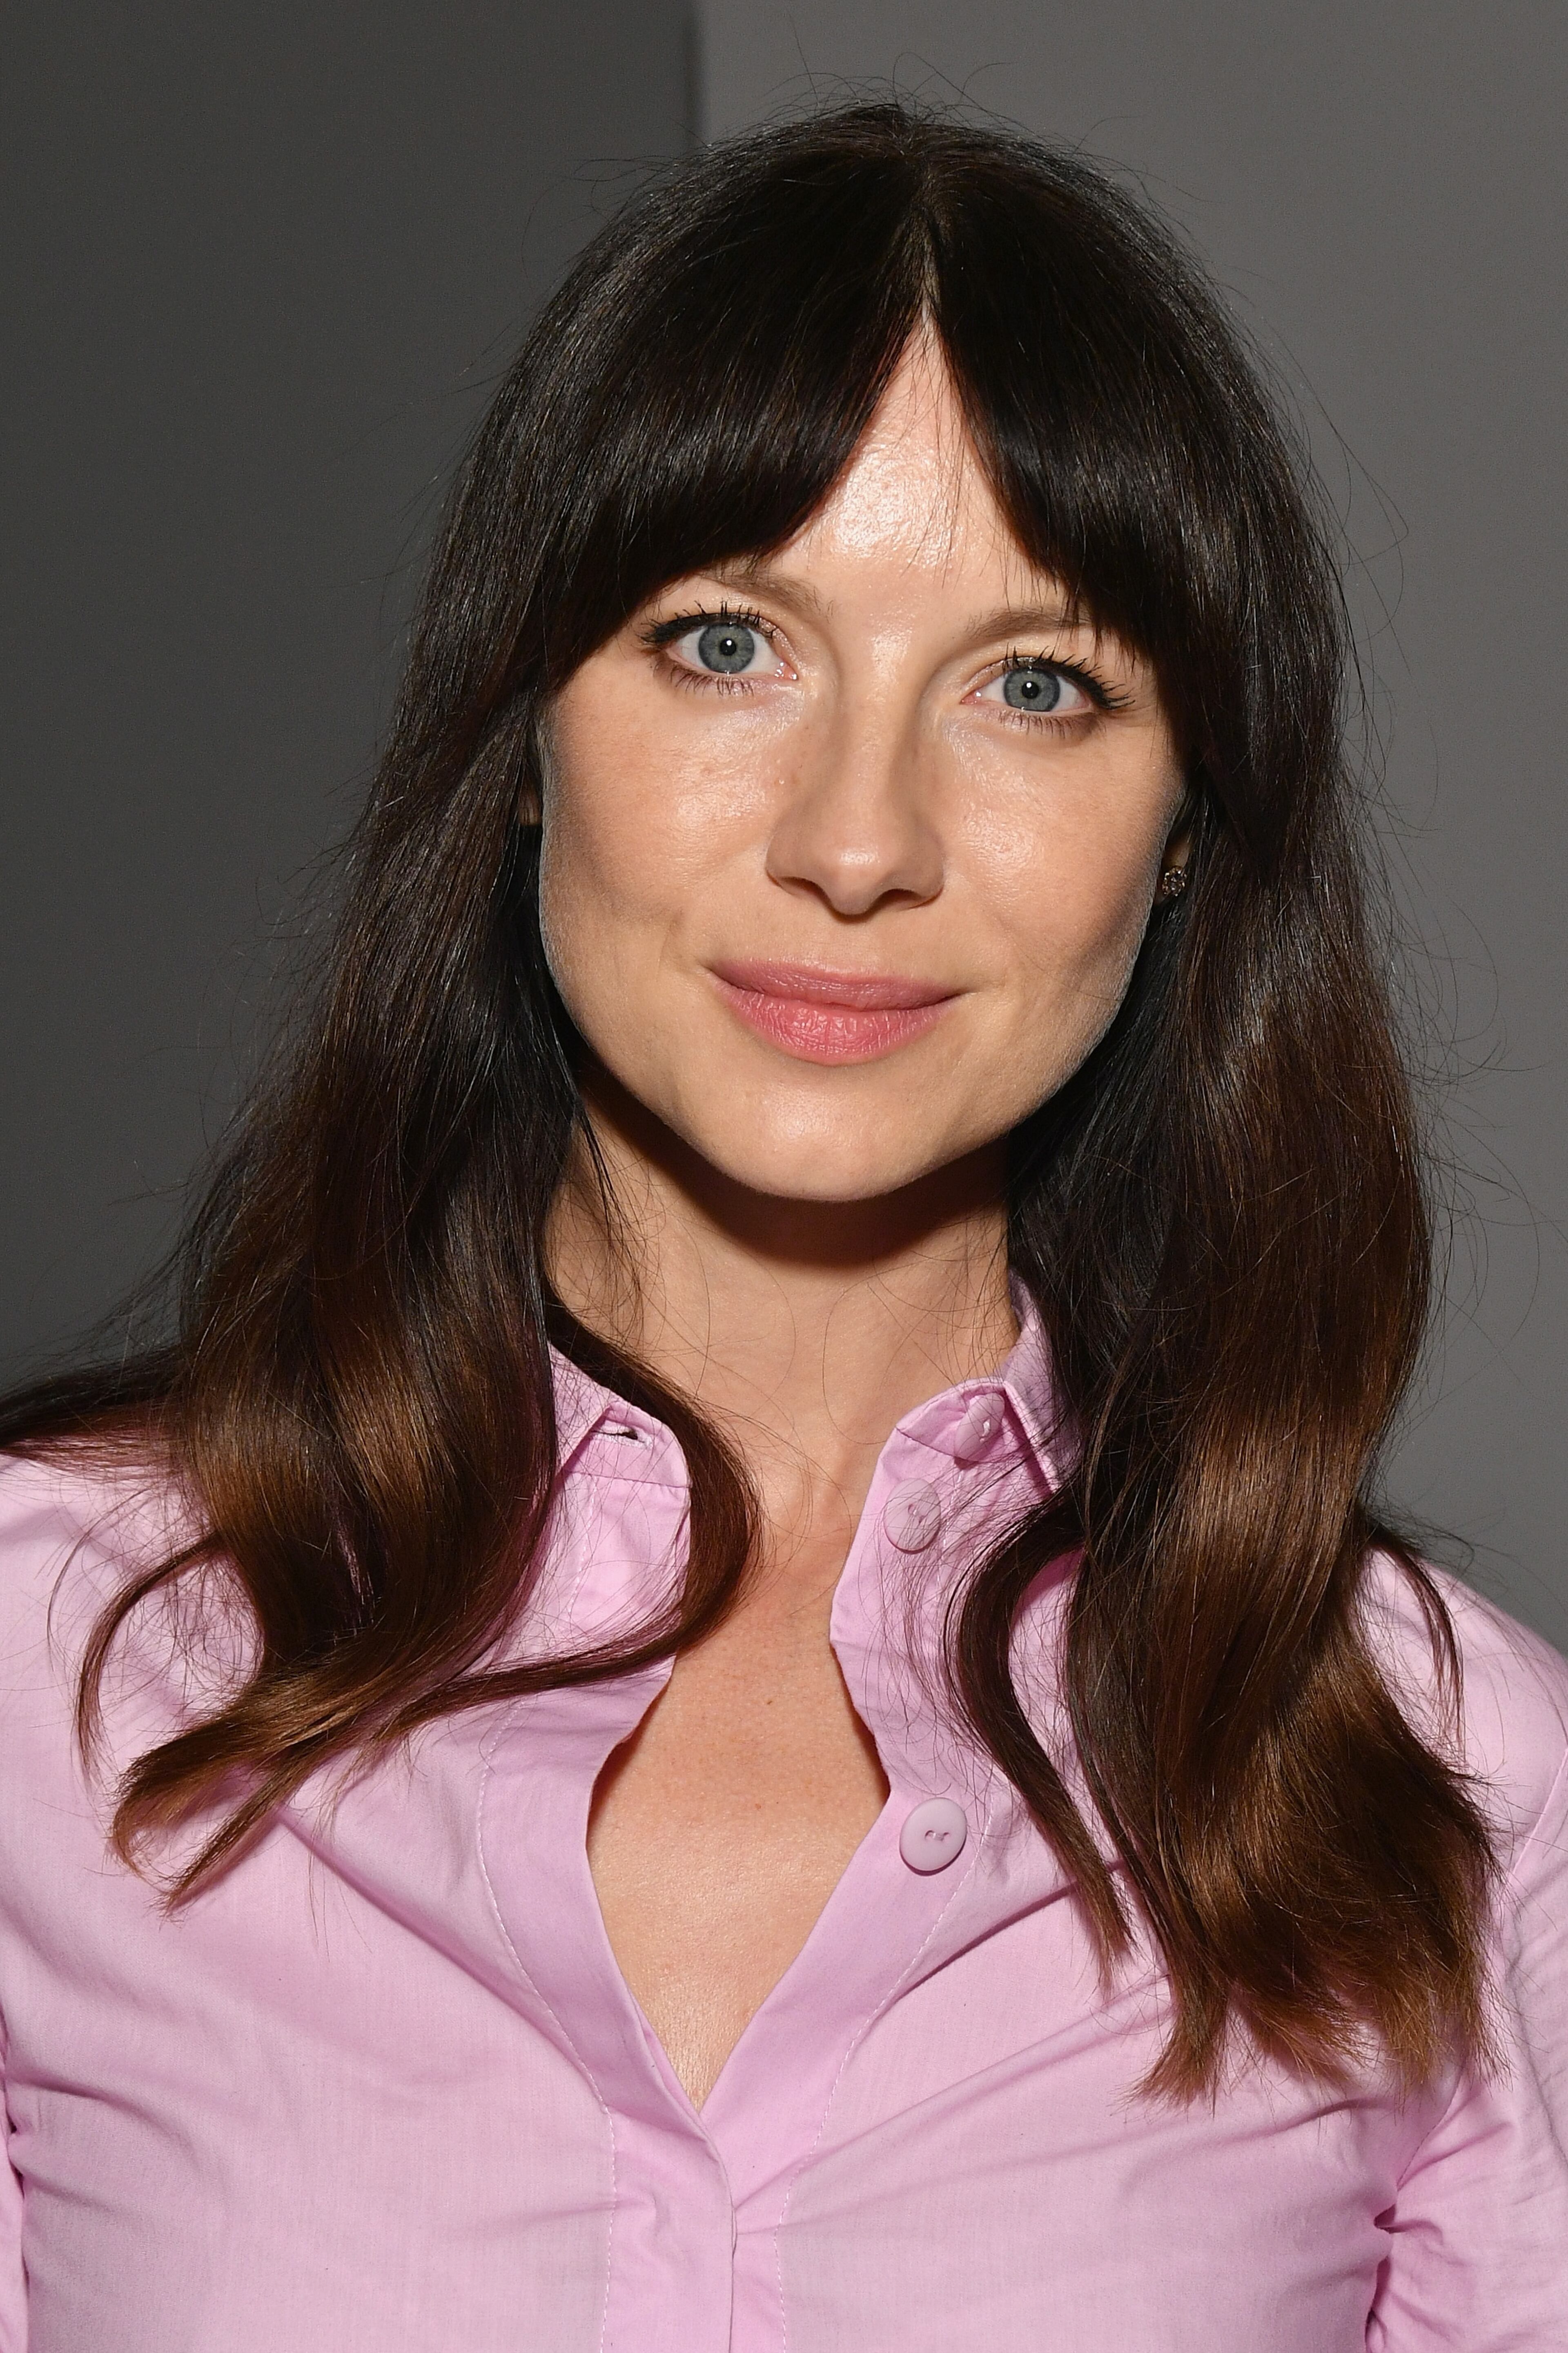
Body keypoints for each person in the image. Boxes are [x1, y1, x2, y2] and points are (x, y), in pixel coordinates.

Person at [0, 101, 1564, 2353]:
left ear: (1191, 832)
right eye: (728, 643)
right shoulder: (57, 1661)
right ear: (526, 729)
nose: (859, 838)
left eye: (1038, 686)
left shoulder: (1454, 1791)